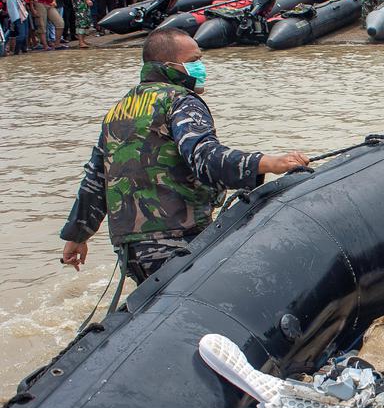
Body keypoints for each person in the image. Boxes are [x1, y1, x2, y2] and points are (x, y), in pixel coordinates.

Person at [60, 29, 308, 283]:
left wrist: (77, 236)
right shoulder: (180, 101)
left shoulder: (119, 109)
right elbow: (204, 156)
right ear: (171, 66)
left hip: (130, 249)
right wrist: (268, 163)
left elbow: (95, 179)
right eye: (194, 60)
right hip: (177, 239)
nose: (201, 66)